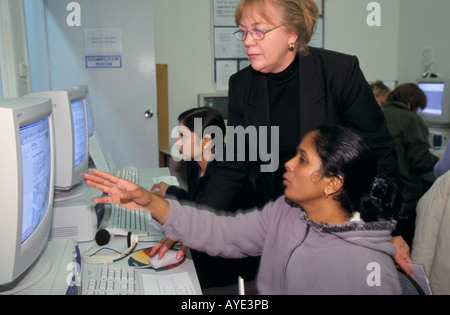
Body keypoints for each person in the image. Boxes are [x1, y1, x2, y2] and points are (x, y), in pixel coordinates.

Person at [83, 125, 403, 294]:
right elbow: (224, 234)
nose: (288, 164)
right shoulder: (287, 211)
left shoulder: (365, 270)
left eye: (302, 159)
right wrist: (151, 201)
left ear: (332, 184)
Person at [151, 107, 259, 289]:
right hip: (208, 252)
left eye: (182, 136)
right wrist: (170, 190)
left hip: (231, 269)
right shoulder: (194, 164)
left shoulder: (226, 174)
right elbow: (198, 203)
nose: (177, 143)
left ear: (206, 140)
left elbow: (202, 215)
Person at [381, 83, 439, 247]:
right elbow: (420, 160)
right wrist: (438, 160)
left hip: (378, 193)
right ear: (411, 102)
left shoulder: (377, 112)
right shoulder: (410, 119)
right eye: (418, 108)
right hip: (404, 196)